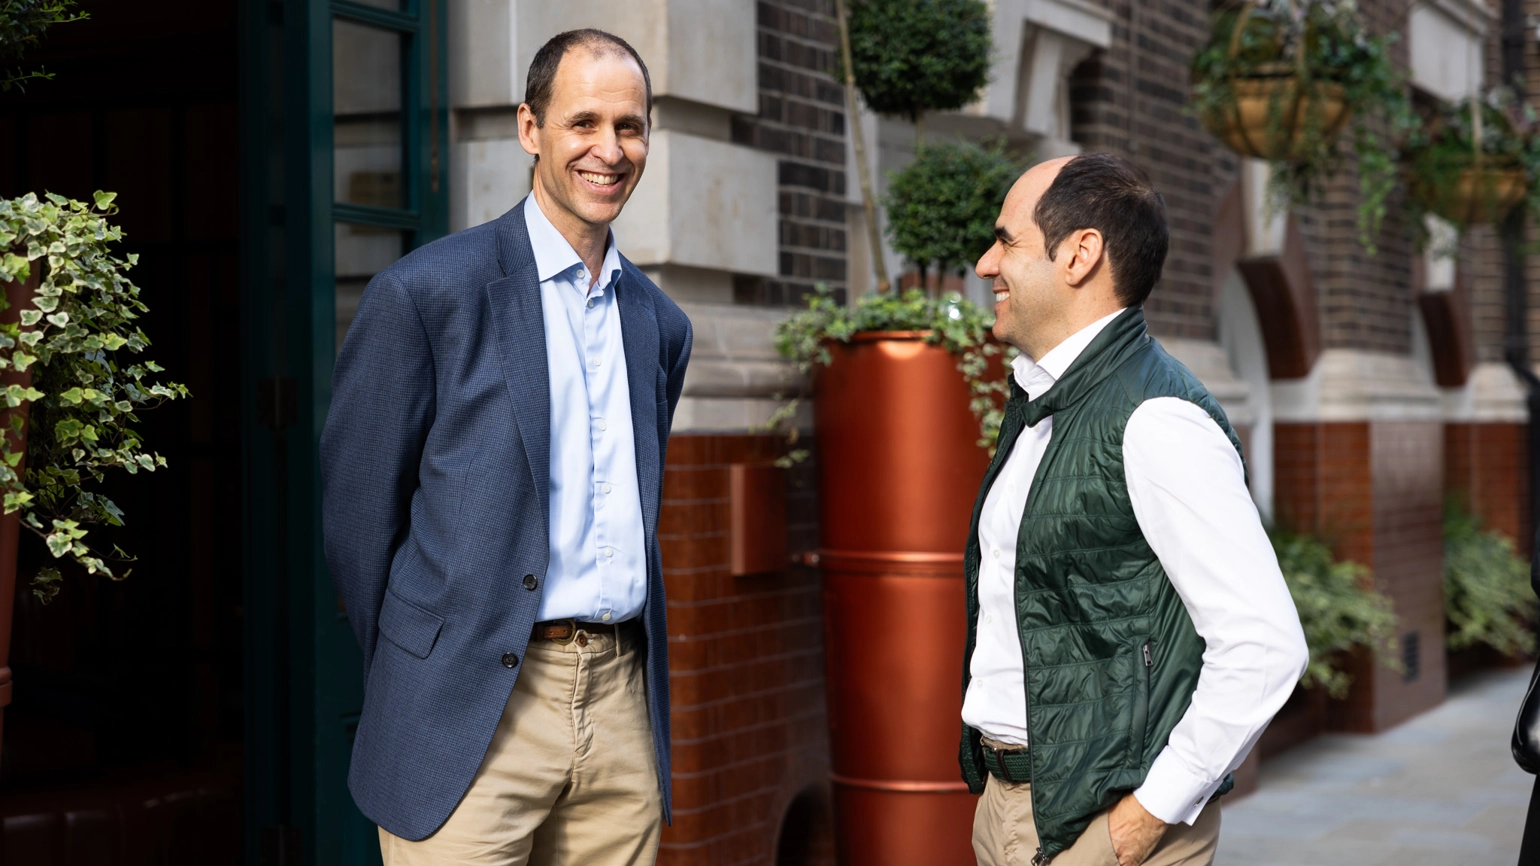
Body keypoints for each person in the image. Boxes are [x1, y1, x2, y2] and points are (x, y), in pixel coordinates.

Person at [320, 28, 692, 866]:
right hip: (467, 712)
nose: (609, 150)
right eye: (583, 122)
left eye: (629, 127)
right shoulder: (426, 295)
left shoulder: (660, 325)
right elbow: (358, 524)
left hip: (620, 708)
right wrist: (425, 668)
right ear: (530, 127)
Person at [959, 152, 1309, 866]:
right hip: (1012, 807)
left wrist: (1142, 822)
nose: (986, 263)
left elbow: (1265, 646)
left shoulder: (1155, 418)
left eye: (1007, 240)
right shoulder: (1042, 402)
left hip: (1099, 825)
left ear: (1079, 255)